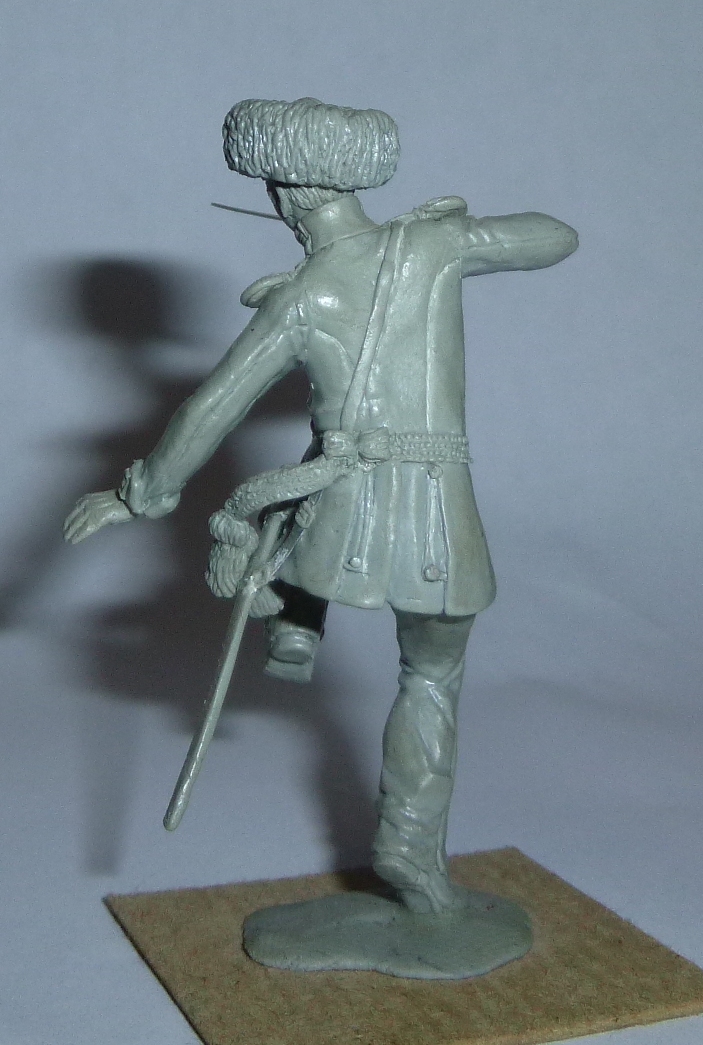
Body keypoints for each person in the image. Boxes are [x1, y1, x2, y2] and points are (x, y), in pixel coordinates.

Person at [64, 97, 578, 914]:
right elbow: (555, 236)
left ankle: (297, 621)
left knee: (298, 516)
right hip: (438, 510)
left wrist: (140, 496)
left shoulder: (301, 296)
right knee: (430, 674)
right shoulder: (431, 248)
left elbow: (211, 408)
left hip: (343, 510)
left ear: (286, 196)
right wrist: (453, 230)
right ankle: (409, 843)